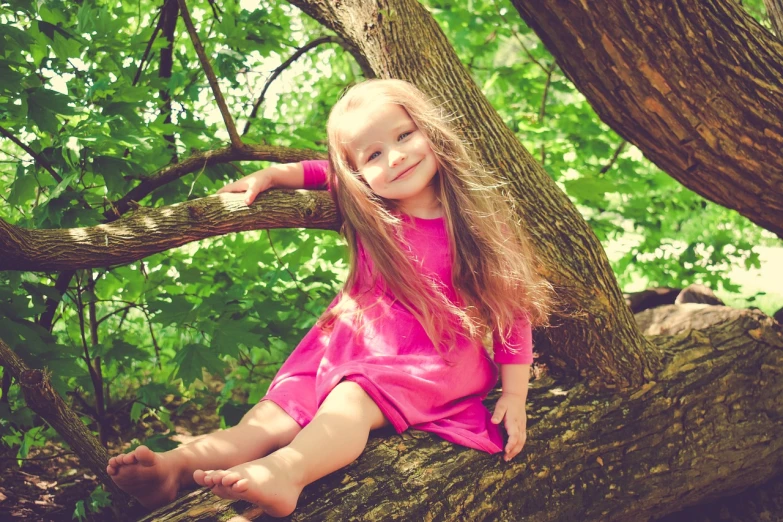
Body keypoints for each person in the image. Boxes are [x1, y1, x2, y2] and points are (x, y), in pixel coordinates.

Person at [106, 79, 552, 516]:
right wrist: (275, 174)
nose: (395, 157)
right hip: (344, 345)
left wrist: (514, 394)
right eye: (374, 154)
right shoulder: (369, 209)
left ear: (430, 130)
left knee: (350, 402)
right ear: (358, 174)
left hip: (429, 359)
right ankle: (175, 469)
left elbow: (510, 311)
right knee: (270, 416)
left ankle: (288, 473)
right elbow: (324, 171)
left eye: (404, 136)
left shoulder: (475, 223)